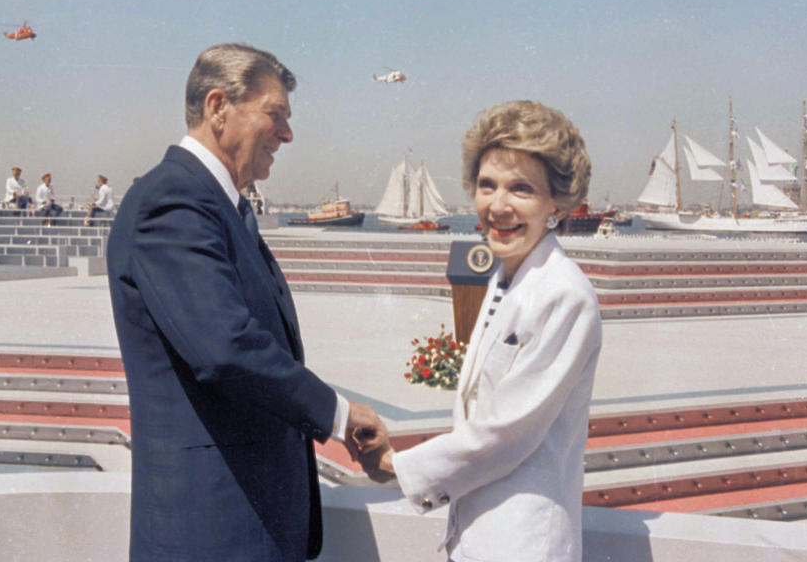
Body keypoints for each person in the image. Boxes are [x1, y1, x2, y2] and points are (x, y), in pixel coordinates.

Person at [106, 43, 386, 561]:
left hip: (246, 525)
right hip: (213, 530)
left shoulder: (219, 207)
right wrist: (341, 416)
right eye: (275, 115)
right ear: (218, 107)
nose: (287, 134)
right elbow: (225, 347)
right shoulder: (173, 200)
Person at [361, 101, 602, 562]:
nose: (498, 205)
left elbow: (506, 434)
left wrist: (396, 466)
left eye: (521, 189)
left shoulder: (564, 295)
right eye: (487, 185)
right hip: (477, 537)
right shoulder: (506, 278)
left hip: (523, 544)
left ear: (557, 203)